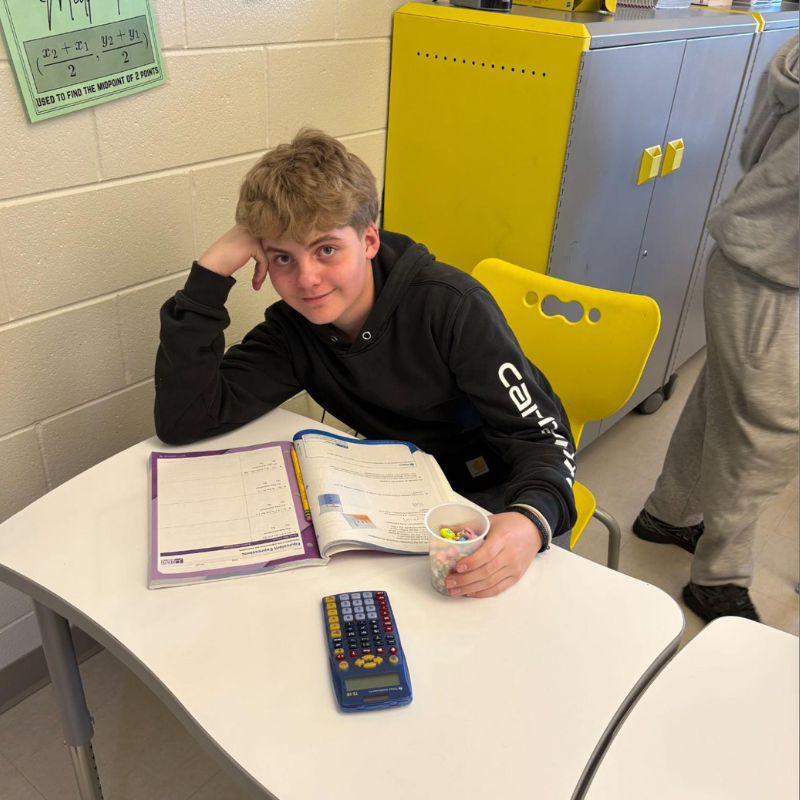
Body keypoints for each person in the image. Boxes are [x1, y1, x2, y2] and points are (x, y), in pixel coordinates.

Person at [154, 129, 577, 598]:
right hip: (392, 502)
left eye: (326, 250)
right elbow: (185, 419)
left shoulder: (451, 308)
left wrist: (530, 522)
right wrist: (210, 276)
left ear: (369, 239)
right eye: (283, 258)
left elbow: (543, 438)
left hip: (498, 502)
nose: (307, 279)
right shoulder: (293, 330)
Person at [633, 37, 799, 622]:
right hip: (771, 274)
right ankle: (718, 577)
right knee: (770, 430)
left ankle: (670, 514)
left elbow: (755, 148)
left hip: (755, 257)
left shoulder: (793, 53)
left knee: (726, 404)